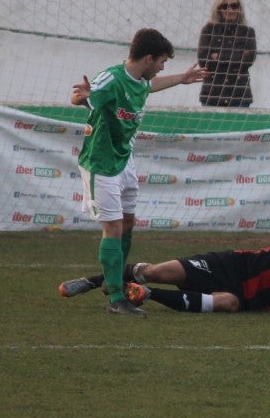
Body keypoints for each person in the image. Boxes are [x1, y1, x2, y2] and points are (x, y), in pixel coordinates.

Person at [69, 29, 208, 315]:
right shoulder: (111, 79)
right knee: (113, 228)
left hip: (124, 160)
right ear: (148, 59)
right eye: (161, 62)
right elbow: (81, 96)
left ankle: (114, 281)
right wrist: (82, 96)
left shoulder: (140, 80)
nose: (162, 68)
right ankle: (116, 298)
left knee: (128, 223)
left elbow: (150, 85)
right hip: (101, 163)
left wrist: (182, 78)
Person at [58, 216, 270, 313]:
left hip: (246, 299)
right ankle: (94, 280)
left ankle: (145, 294)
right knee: (156, 271)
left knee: (227, 303)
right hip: (232, 266)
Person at [197, 0, 257, 107]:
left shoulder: (248, 32)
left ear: (239, 8)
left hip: (239, 95)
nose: (230, 10)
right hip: (212, 94)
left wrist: (217, 56)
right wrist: (237, 57)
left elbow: (248, 60)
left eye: (234, 6)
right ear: (218, 9)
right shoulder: (208, 30)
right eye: (225, 6)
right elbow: (203, 61)